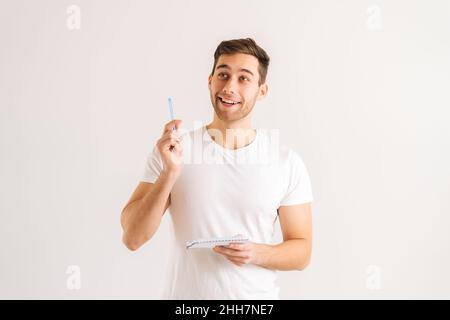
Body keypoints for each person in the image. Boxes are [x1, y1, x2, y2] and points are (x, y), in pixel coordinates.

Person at [120, 38, 314, 299]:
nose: (230, 87)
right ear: (210, 81)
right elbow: (133, 237)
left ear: (262, 91)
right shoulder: (174, 150)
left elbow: (301, 251)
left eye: (244, 78)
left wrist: (256, 252)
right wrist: (169, 174)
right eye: (223, 74)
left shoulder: (286, 163)